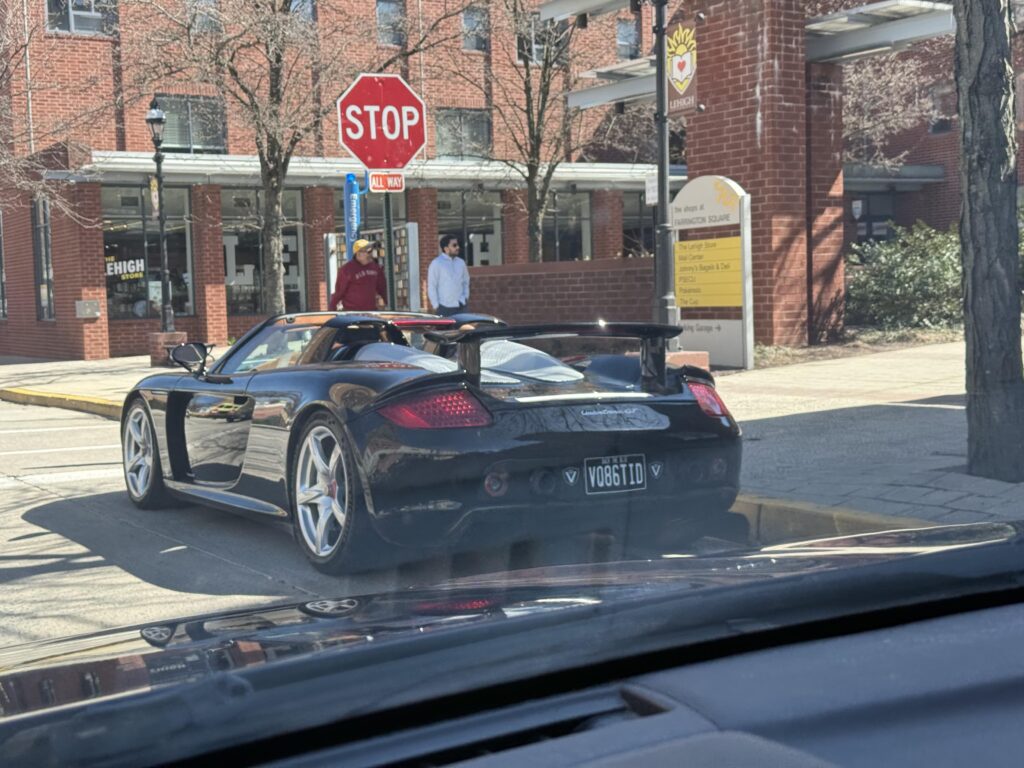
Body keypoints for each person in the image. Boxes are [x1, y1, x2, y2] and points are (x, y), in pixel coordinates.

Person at [329, 239, 388, 312]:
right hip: (352, 313)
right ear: (358, 253)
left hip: (371, 312)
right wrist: (332, 310)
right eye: (367, 251)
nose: (370, 253)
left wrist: (388, 306)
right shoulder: (346, 270)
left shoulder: (376, 268)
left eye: (370, 251)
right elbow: (339, 292)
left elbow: (383, 289)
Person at [428, 235, 470, 317]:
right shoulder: (436, 263)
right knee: (445, 330)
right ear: (446, 248)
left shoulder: (461, 263)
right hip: (444, 308)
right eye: (454, 245)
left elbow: (466, 281)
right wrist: (436, 305)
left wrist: (465, 297)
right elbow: (432, 286)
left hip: (461, 306)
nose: (457, 247)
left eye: (457, 245)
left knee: (465, 329)